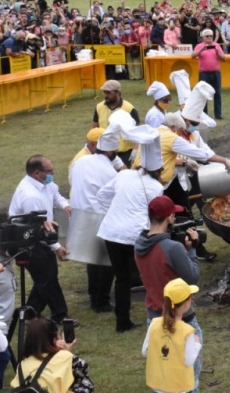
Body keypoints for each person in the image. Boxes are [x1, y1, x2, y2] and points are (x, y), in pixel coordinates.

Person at [97, 127, 165, 333]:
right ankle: (156, 314)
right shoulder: (156, 187)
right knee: (147, 276)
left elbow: (102, 195)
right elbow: (156, 215)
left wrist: (115, 211)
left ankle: (122, 320)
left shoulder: (124, 175)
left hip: (111, 232)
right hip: (134, 235)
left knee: (122, 277)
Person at [136, 196, 203, 391]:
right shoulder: (172, 248)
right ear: (170, 217)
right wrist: (192, 250)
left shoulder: (139, 244)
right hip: (182, 319)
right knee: (189, 375)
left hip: (154, 319)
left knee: (163, 372)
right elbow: (193, 277)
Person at [8, 155, 72, 324]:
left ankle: (29, 313)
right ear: (37, 173)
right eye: (49, 171)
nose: (52, 174)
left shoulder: (44, 183)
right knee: (47, 278)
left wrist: (65, 205)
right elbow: (41, 227)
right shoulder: (31, 196)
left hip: (39, 238)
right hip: (29, 242)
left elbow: (56, 194)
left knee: (45, 277)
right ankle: (60, 315)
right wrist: (57, 247)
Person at [69, 129, 121, 314]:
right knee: (107, 261)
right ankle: (102, 301)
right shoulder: (109, 171)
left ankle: (93, 295)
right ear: (109, 152)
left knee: (91, 260)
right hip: (100, 218)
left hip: (80, 216)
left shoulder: (80, 161)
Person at [142, 278, 202, 393]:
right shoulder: (187, 331)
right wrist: (197, 344)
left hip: (157, 386)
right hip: (179, 387)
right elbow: (189, 361)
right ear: (186, 304)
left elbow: (145, 351)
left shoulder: (154, 324)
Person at [10, 317, 78, 393]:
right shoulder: (67, 357)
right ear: (54, 340)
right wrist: (66, 350)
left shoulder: (22, 365)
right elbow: (85, 387)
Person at [91, 79, 140, 167]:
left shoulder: (129, 108)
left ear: (117, 92)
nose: (105, 95)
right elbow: (95, 128)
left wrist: (135, 150)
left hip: (125, 154)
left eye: (108, 92)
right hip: (105, 153)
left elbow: (137, 131)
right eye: (104, 92)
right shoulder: (99, 107)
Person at [191, 29, 226, 120]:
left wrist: (218, 53)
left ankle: (218, 114)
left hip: (215, 73)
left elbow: (224, 58)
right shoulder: (199, 46)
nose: (209, 38)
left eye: (211, 36)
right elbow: (192, 56)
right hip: (204, 73)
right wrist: (201, 50)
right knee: (203, 94)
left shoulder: (217, 45)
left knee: (217, 93)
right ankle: (204, 114)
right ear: (203, 37)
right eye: (207, 36)